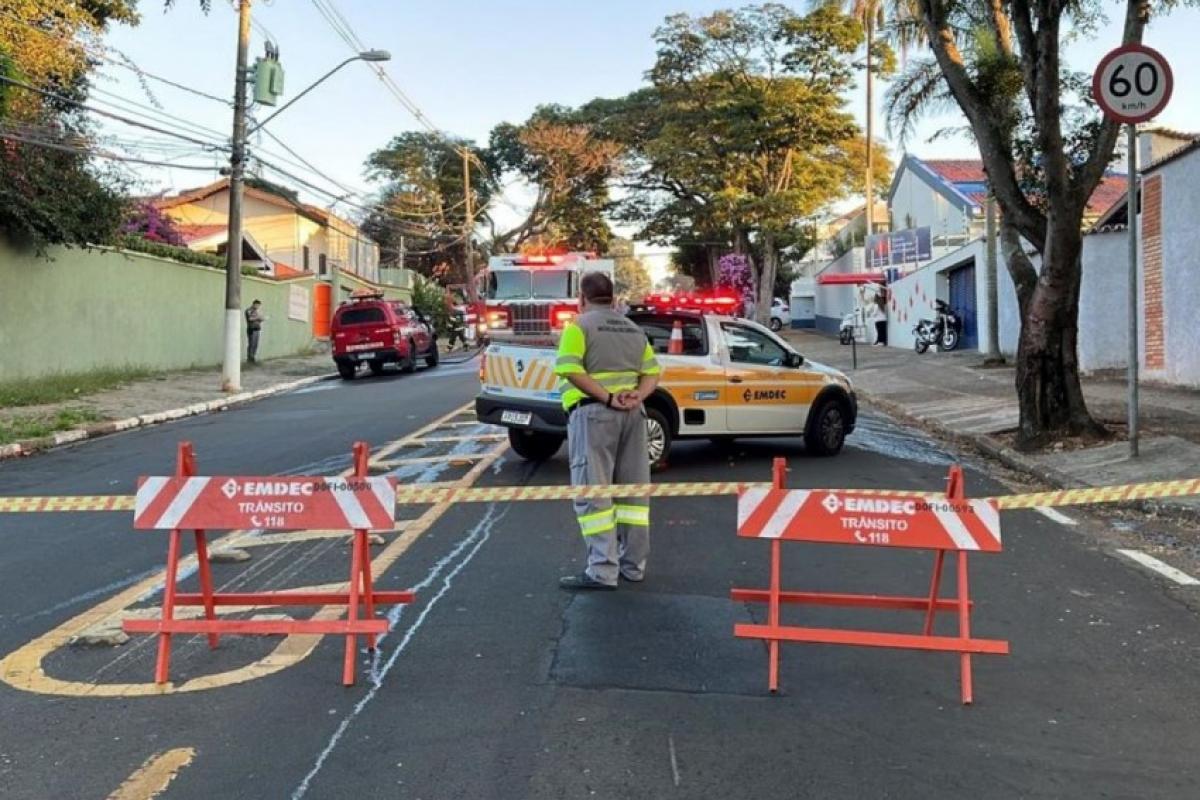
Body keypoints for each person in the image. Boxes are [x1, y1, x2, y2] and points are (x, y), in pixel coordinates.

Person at [554, 272, 661, 590]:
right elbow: (652, 372)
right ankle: (633, 566)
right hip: (634, 416)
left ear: (582, 299)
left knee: (594, 491)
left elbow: (569, 368)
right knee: (633, 492)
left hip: (594, 416)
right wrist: (636, 396)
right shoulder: (632, 328)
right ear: (613, 299)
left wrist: (607, 397)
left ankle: (602, 570)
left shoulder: (579, 327)